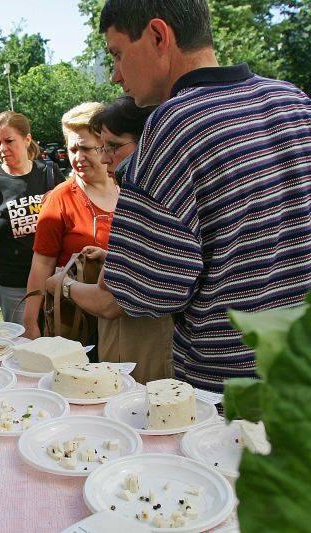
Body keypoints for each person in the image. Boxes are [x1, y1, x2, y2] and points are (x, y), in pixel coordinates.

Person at [94, 0, 311, 392]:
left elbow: (146, 292)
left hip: (228, 393)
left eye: (118, 55)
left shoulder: (175, 123)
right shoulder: (294, 100)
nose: (116, 76)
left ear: (159, 36)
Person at [43, 97, 173, 384]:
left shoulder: (141, 198)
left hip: (141, 347)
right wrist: (109, 256)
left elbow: (108, 302)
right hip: (130, 342)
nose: (104, 157)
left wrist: (63, 285)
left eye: (112, 147)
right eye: (102, 147)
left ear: (147, 143)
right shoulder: (149, 191)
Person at [22, 102, 114, 341]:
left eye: (86, 149)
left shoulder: (128, 189)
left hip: (120, 320)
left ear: (105, 144)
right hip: (75, 323)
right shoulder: (59, 199)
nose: (78, 158)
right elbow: (41, 266)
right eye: (72, 150)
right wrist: (30, 321)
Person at [0, 111, 63, 324]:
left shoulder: (49, 174)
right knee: (24, 349)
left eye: (9, 141)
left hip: (54, 281)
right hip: (14, 287)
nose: (2, 149)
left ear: (27, 139)